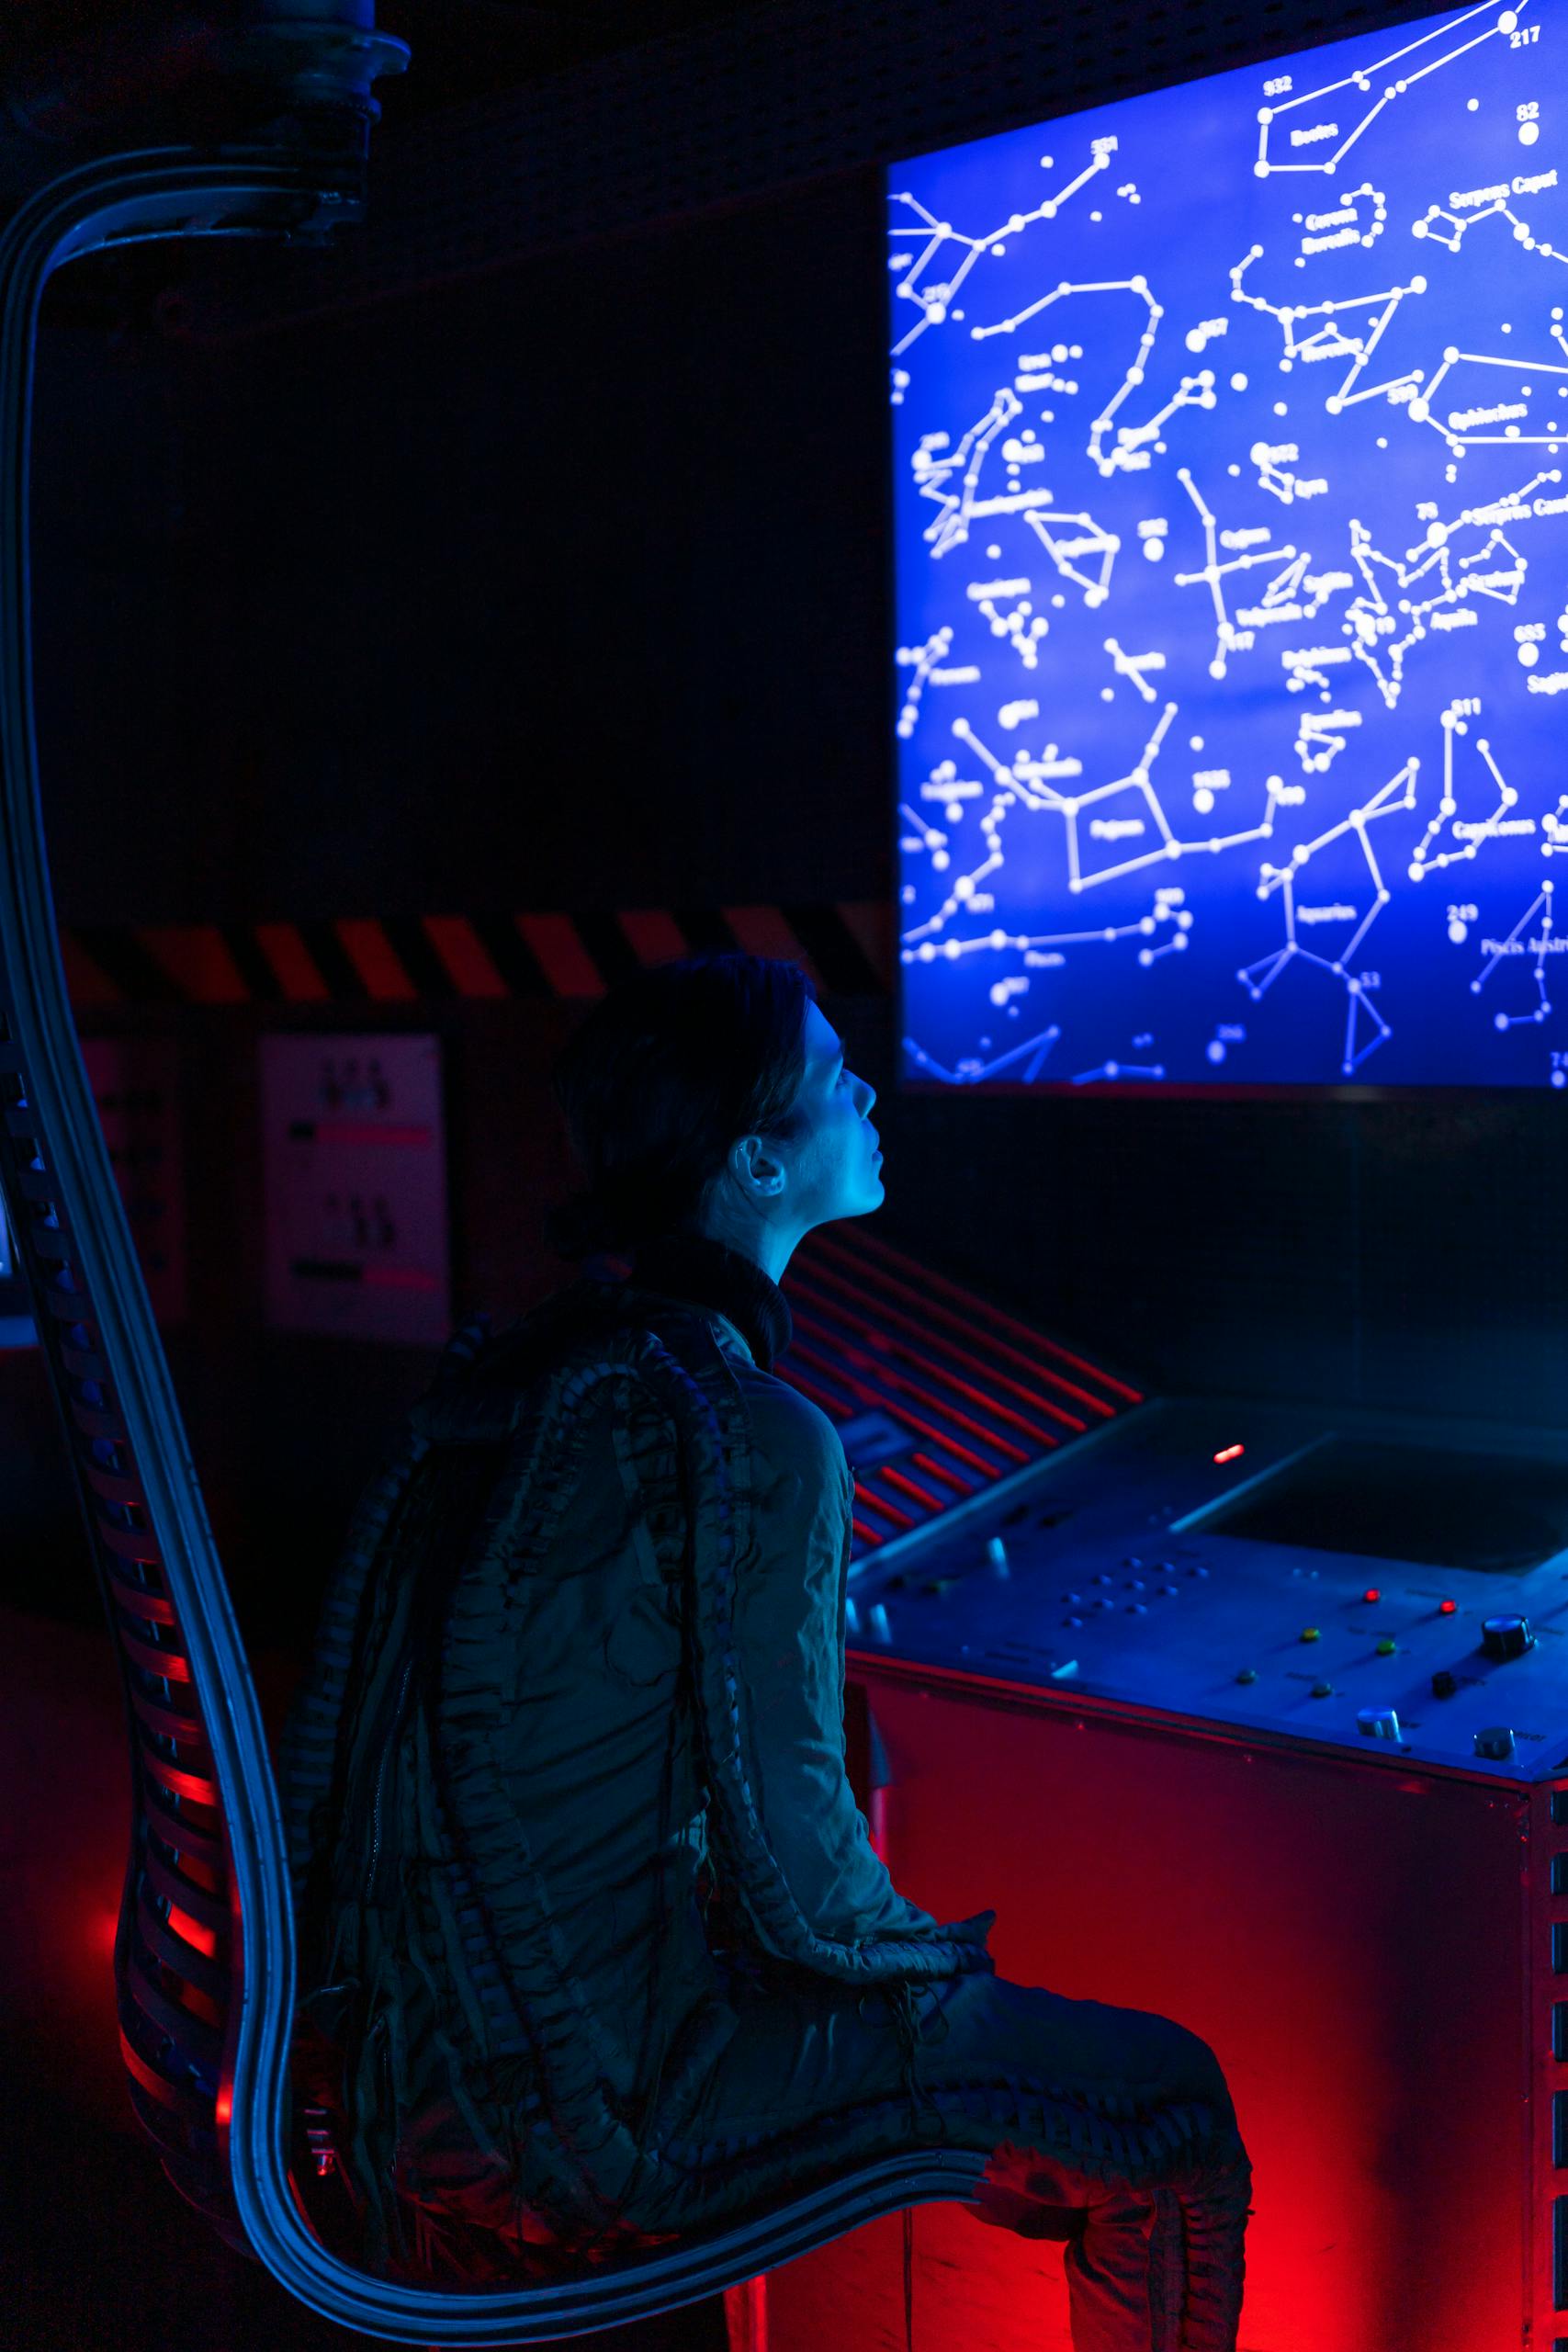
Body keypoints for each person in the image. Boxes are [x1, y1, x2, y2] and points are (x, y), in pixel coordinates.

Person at [277, 951, 1253, 2352]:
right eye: (830, 1076)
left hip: (413, 2103)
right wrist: (955, 2017)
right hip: (613, 2111)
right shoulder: (748, 1431)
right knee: (1166, 2110)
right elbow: (805, 1883)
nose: (868, 1091)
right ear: (757, 1162)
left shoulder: (524, 1389)